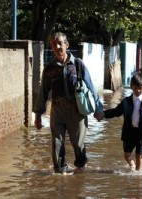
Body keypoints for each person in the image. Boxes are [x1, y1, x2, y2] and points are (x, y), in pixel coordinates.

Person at [34, 32, 103, 174]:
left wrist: (98, 108)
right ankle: (60, 171)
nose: (57, 46)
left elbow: (91, 87)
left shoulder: (78, 65)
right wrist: (38, 115)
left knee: (78, 143)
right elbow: (43, 93)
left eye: (60, 43)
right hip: (57, 111)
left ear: (67, 45)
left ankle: (81, 167)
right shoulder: (49, 69)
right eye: (54, 44)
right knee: (57, 143)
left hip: (76, 111)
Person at [98, 72, 142, 171]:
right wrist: (104, 114)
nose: (138, 91)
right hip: (129, 132)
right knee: (127, 155)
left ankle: (138, 176)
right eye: (135, 88)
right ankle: (131, 164)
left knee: (139, 155)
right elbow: (116, 112)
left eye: (140, 88)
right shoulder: (126, 102)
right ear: (131, 87)